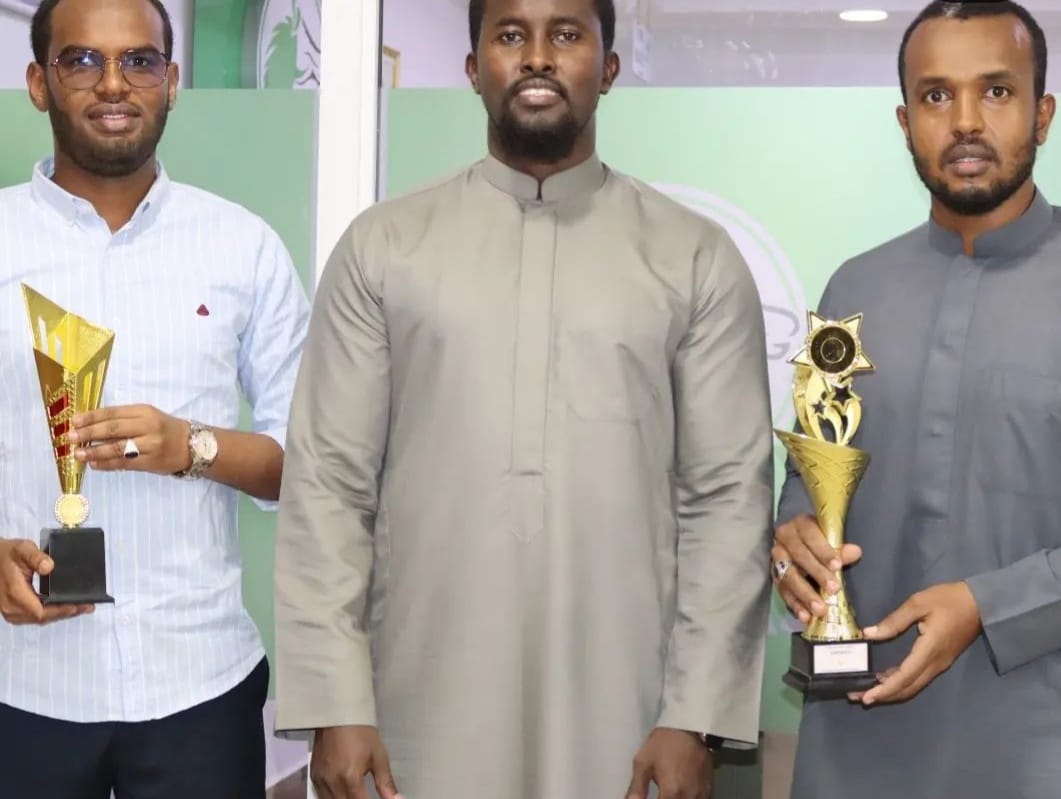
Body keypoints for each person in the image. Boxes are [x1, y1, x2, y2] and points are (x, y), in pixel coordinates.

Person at [273, 1, 774, 797]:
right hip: (416, 710)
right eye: (510, 35)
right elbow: (329, 486)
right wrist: (334, 702)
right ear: (474, 69)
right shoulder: (383, 248)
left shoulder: (692, 257)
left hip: (630, 709)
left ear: (609, 69)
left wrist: (695, 716)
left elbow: (726, 501)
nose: (537, 56)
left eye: (566, 35)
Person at [0, 0, 309, 796]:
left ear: (171, 81)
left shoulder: (243, 247)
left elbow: (308, 464)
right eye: (81, 60)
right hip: (20, 686)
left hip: (198, 684)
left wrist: (191, 448)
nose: (114, 83)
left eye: (139, 61)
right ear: (37, 82)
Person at [772, 2, 1060, 797]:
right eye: (936, 95)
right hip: (852, 742)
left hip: (1035, 743)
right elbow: (810, 472)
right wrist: (793, 540)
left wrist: (989, 604)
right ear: (904, 122)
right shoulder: (852, 288)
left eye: (995, 91)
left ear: (1042, 113)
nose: (964, 120)